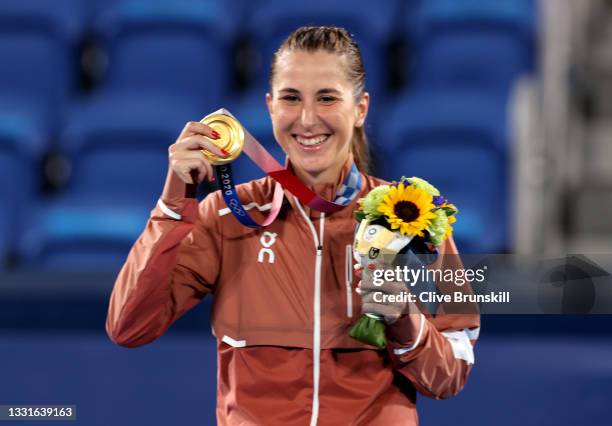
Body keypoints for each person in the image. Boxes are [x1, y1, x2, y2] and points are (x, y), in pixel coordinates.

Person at [106, 26, 480, 425]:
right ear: (270, 107)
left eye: (327, 98)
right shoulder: (225, 216)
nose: (306, 118)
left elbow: (451, 373)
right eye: (290, 98)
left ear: (360, 109)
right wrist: (174, 204)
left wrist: (405, 322)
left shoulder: (411, 217)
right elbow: (129, 327)